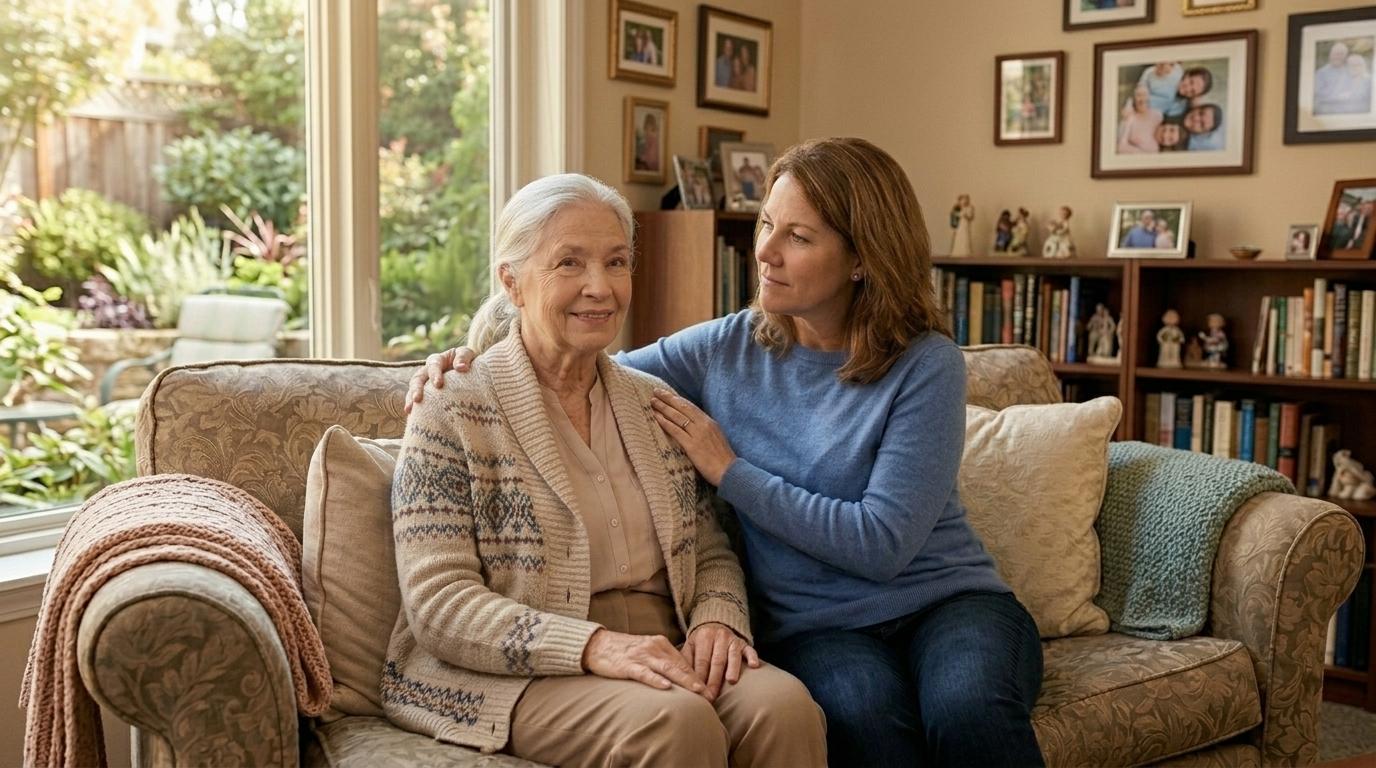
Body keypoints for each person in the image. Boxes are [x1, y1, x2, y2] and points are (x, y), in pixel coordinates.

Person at [409, 138, 1047, 768]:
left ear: (861, 259)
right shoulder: (723, 349)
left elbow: (879, 543)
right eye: (767, 224)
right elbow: (578, 354)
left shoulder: (924, 364)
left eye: (798, 237)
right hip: (818, 628)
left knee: (967, 710)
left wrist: (730, 474)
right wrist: (466, 354)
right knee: (861, 715)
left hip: (944, 601)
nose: (764, 251)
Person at [387, 173, 826, 767]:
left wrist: (718, 621)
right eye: (569, 263)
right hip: (518, 669)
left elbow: (709, 548)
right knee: (676, 723)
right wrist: (592, 645)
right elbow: (439, 603)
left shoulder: (653, 403)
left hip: (662, 647)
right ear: (511, 282)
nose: (600, 287)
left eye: (616, 262)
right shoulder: (452, 405)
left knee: (784, 706)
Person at [1118, 84, 1165, 153]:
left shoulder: (1158, 114)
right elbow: (1121, 147)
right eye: (1138, 95)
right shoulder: (1130, 117)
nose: (1143, 98)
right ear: (1133, 99)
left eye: (1145, 94)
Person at [1314, 42, 1353, 116]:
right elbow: (1318, 95)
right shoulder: (1320, 73)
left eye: (1341, 54)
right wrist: (1338, 96)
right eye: (1335, 53)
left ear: (1345, 56)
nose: (1338, 57)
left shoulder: (1350, 71)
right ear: (1330, 55)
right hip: (1326, 113)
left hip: (1347, 113)